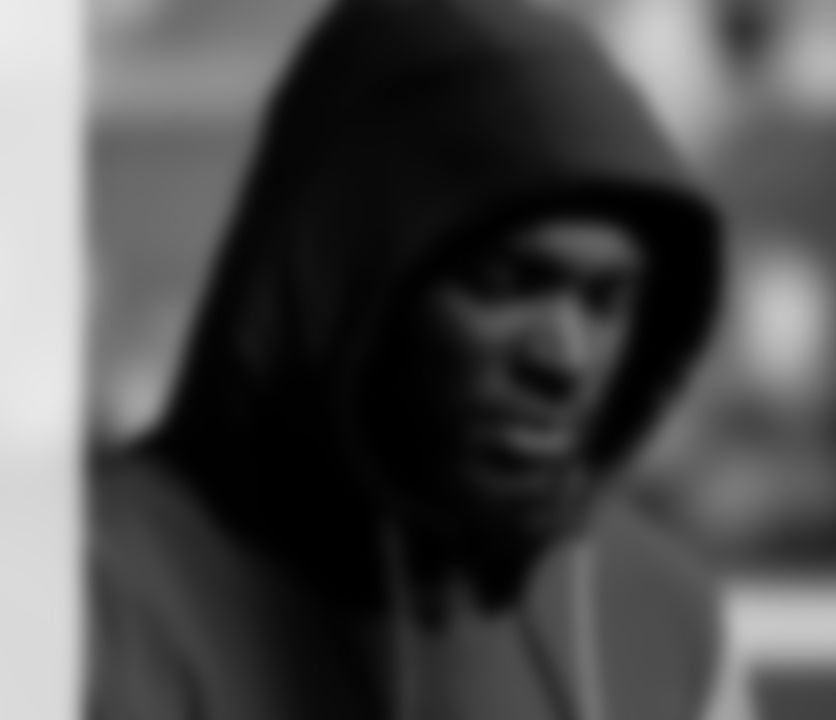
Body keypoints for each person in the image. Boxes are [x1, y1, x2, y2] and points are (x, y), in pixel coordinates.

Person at [87, 1, 754, 718]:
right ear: (337, 277)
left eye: (606, 299)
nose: (565, 358)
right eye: (504, 283)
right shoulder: (86, 591)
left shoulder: (655, 614)